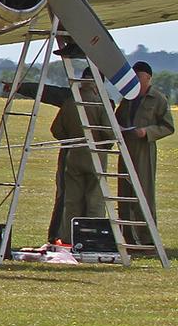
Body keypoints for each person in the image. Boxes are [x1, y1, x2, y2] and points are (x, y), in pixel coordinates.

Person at [50, 75, 111, 243]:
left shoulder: (70, 103)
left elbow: (56, 129)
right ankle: (93, 239)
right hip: (95, 156)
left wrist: (70, 139)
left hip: (74, 155)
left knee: (72, 200)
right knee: (95, 200)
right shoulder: (100, 103)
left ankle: (69, 237)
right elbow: (109, 132)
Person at [118, 60, 173, 225]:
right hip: (126, 149)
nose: (136, 80)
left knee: (144, 193)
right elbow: (118, 118)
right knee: (124, 193)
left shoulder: (158, 99)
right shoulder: (128, 98)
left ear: (148, 77)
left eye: (139, 77)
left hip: (144, 151)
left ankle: (147, 238)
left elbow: (168, 126)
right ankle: (126, 236)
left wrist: (147, 132)